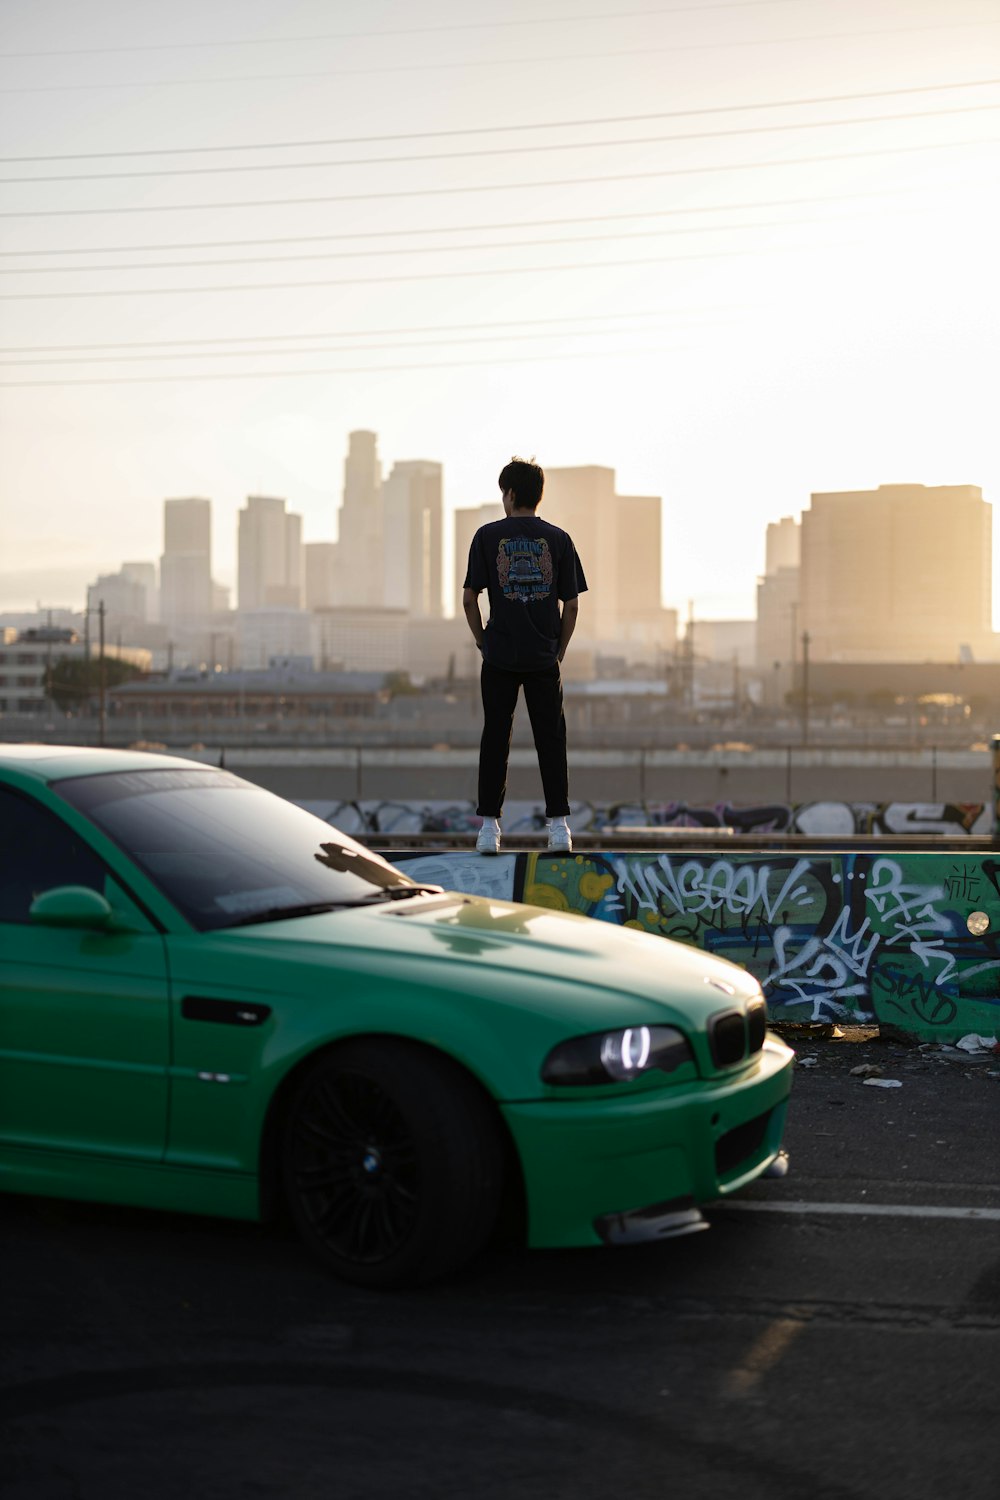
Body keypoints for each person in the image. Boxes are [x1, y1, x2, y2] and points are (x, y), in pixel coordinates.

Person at [462, 457, 587, 855]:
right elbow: (572, 606)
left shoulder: (486, 536)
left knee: (495, 738)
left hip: (499, 655)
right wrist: (560, 648)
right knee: (551, 739)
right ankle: (559, 828)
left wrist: (483, 641)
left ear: (510, 494)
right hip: (542, 657)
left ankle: (489, 829)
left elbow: (469, 599)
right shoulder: (560, 539)